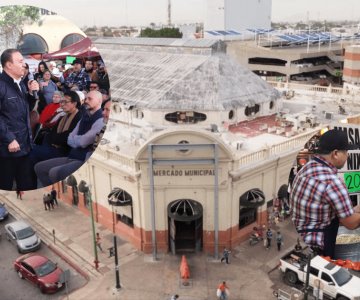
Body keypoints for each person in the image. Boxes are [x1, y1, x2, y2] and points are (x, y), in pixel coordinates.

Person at [290, 129, 360, 258]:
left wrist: (356, 210)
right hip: (319, 245)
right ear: (335, 154)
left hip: (303, 233)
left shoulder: (306, 168)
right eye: (346, 152)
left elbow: (339, 212)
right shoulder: (333, 182)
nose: (348, 155)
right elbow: (350, 223)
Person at [35, 91, 104, 186]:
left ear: (100, 101)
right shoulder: (84, 116)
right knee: (39, 167)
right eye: (86, 98)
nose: (86, 101)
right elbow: (69, 138)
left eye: (90, 99)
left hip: (82, 159)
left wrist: (75, 140)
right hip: (72, 155)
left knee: (53, 172)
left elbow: (83, 141)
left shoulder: (100, 119)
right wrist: (76, 140)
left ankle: (55, 194)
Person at [0, 48, 39, 190]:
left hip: (25, 143)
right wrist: (9, 139)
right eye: (20, 61)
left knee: (27, 185)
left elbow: (24, 109)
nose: (24, 64)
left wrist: (30, 93)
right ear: (9, 65)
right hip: (7, 148)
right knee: (5, 186)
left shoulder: (20, 84)